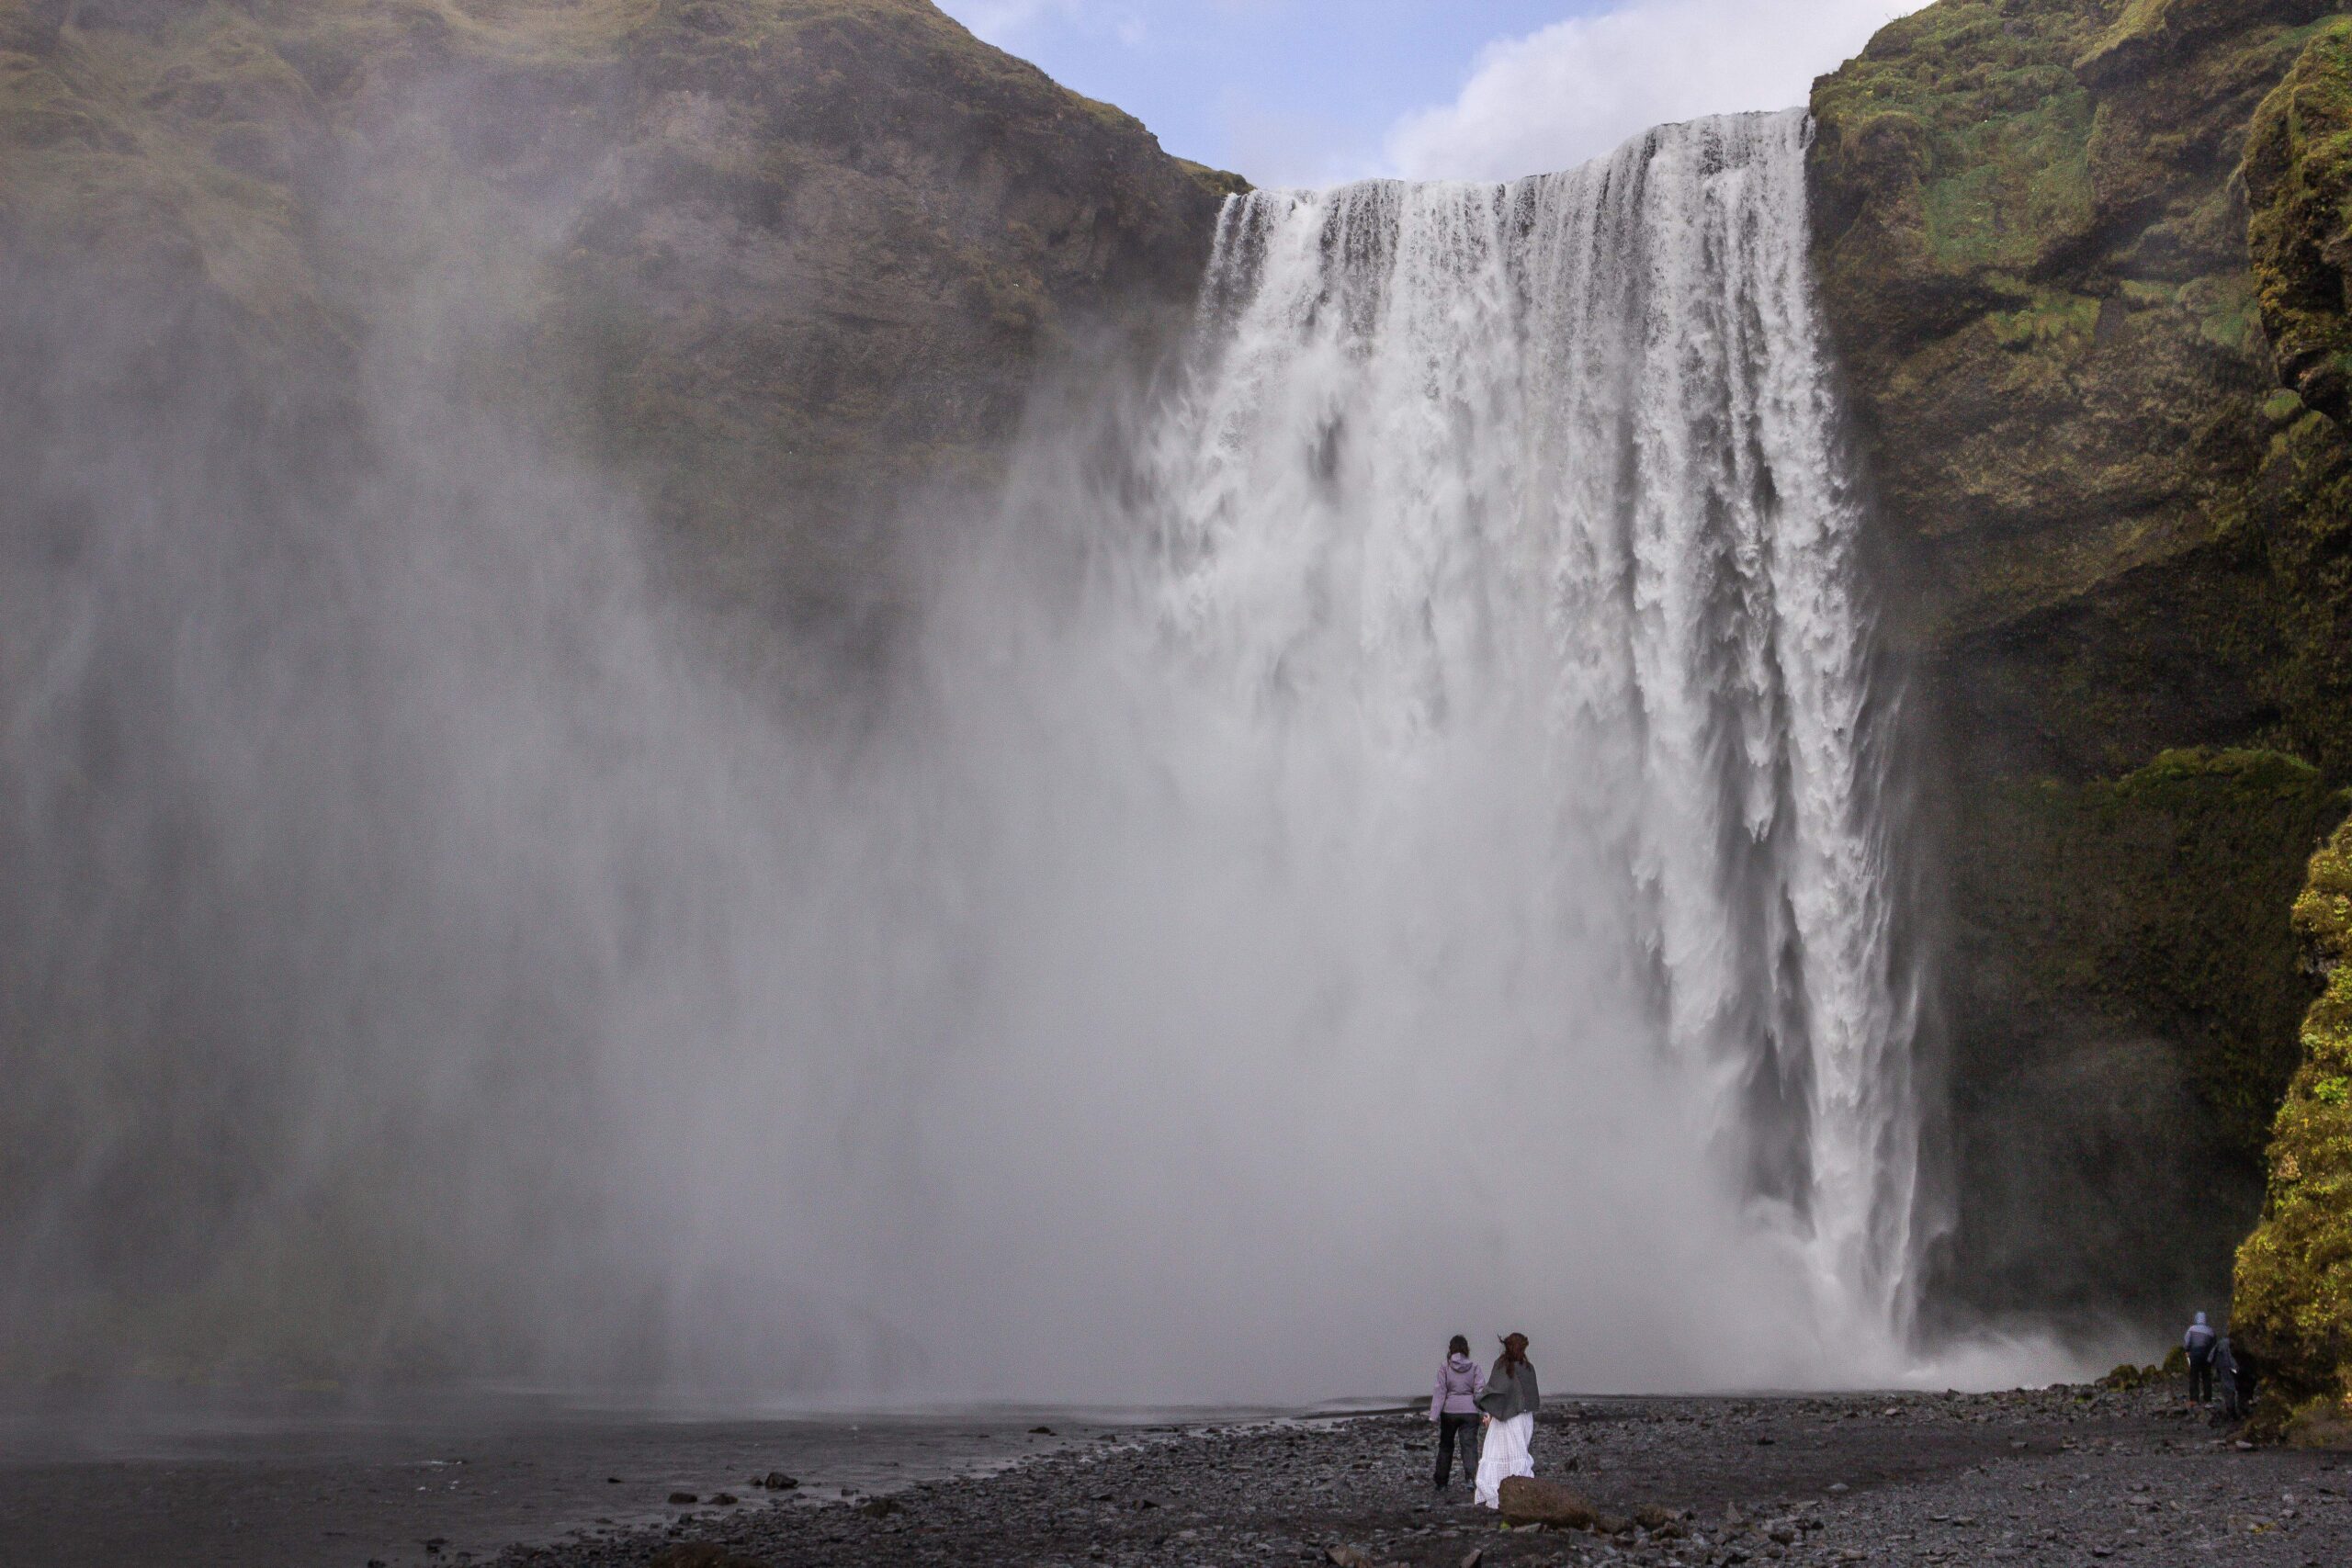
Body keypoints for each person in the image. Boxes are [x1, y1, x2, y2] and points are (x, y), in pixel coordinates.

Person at [1473, 1331, 1540, 1509]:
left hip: (1506, 1418)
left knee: (1498, 1453)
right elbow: (1529, 1397)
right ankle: (1519, 1493)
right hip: (1523, 1418)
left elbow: (1494, 1392)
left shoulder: (1501, 1366)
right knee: (1519, 1454)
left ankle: (1498, 1494)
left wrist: (1485, 1407)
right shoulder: (1528, 1368)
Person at [1430, 1334, 1487, 1494]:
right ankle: (1471, 1479)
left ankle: (1441, 1482)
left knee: (1446, 1446)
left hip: (1449, 1412)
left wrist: (1434, 1415)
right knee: (1469, 1446)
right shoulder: (1474, 1367)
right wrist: (1485, 1410)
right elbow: (1480, 1391)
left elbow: (1440, 1392)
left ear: (1451, 1349)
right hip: (1470, 1411)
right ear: (1466, 1349)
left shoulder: (1445, 1367)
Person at [2184, 1311, 2216, 1404]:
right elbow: (2214, 1345)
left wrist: (2187, 1350)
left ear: (2196, 1319)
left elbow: (2187, 1342)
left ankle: (2194, 1399)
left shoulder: (2191, 1329)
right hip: (2206, 1355)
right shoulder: (2210, 1331)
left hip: (2195, 1354)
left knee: (2194, 1376)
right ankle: (2208, 1398)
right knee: (2206, 1376)